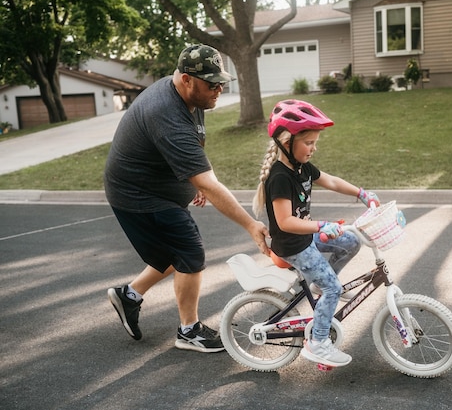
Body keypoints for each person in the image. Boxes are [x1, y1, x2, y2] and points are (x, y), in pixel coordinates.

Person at [104, 44, 269, 353]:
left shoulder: (193, 97)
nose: (218, 89)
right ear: (186, 79)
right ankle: (188, 330)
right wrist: (249, 224)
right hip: (137, 193)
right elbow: (208, 182)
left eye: (221, 82)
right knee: (189, 253)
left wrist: (192, 181)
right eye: (211, 83)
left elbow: (196, 146)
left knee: (176, 255)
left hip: (155, 187)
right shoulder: (165, 113)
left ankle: (129, 296)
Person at [252, 99, 380, 367]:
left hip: (305, 238)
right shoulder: (280, 177)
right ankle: (318, 343)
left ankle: (318, 285)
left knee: (351, 241)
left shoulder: (303, 168)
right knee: (332, 288)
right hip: (292, 245)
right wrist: (322, 225)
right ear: (287, 143)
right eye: (308, 142)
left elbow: (331, 181)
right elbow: (285, 222)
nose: (313, 147)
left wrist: (361, 193)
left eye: (314, 142)